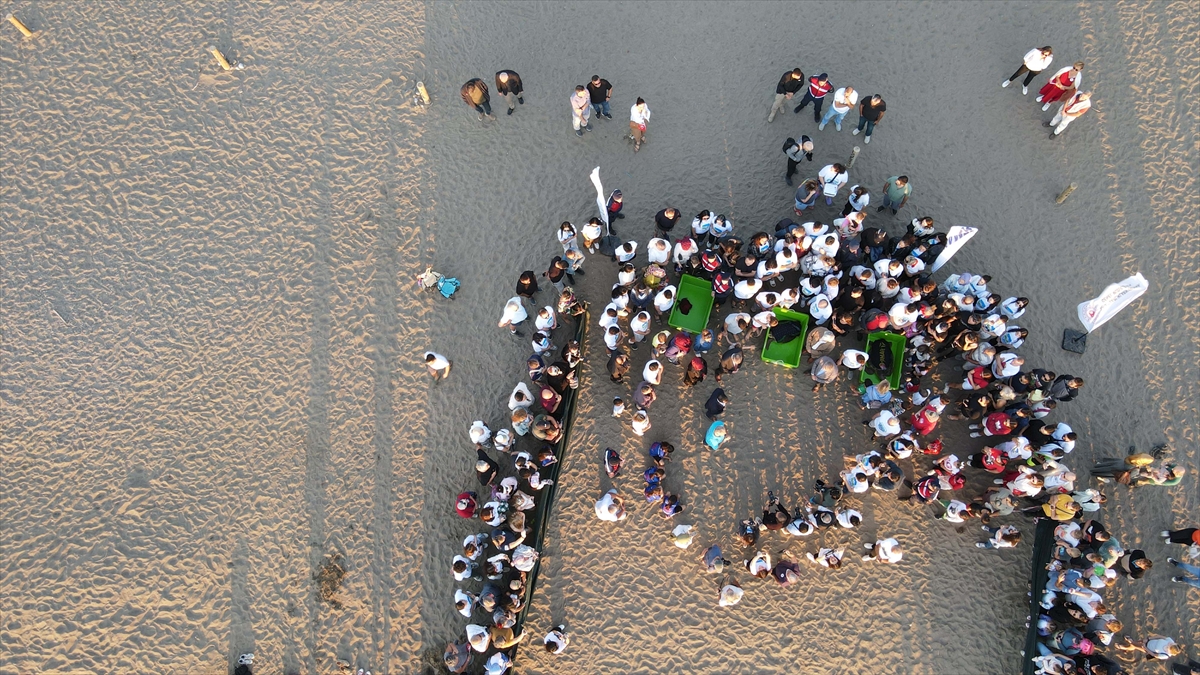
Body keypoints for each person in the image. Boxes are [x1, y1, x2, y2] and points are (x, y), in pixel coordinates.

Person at [1116, 635, 1183, 661]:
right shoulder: (1170, 641)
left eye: (1170, 645)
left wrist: (1145, 648)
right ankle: (1130, 645)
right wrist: (1148, 639)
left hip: (1147, 649)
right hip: (1149, 641)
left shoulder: (1165, 655)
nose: (1170, 643)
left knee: (1135, 645)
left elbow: (1154, 655)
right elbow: (1159, 636)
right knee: (1137, 643)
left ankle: (1124, 647)